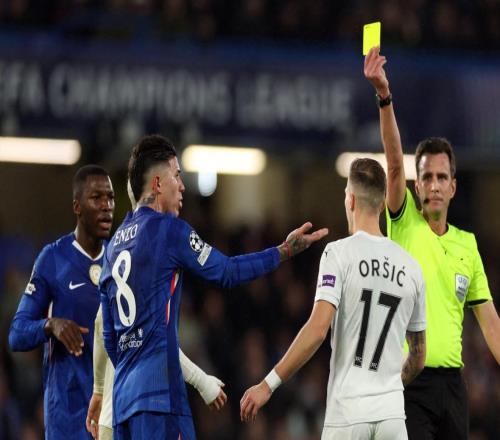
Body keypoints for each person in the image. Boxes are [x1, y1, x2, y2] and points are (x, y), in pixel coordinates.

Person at [99, 134, 328, 439]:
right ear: (157, 184)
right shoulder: (169, 231)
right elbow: (227, 272)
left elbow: (109, 337)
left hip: (124, 402)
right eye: (177, 176)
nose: (182, 186)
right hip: (159, 398)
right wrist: (283, 251)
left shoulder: (112, 247)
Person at [364, 47, 500, 440]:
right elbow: (393, 163)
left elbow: (491, 324)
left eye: (442, 177)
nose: (435, 185)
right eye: (427, 177)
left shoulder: (467, 245)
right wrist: (384, 97)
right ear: (417, 185)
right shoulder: (404, 222)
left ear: (453, 187)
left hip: (454, 388)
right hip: (410, 382)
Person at [240, 158, 426, 439]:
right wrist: (386, 390)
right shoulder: (411, 267)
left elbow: (318, 330)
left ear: (350, 200)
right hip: (392, 417)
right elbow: (418, 355)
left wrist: (267, 385)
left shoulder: (338, 254)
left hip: (348, 413)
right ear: (382, 204)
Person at [85, 182, 227, 440]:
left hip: (112, 418)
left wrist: (98, 388)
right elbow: (156, 346)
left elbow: (100, 324)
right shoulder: (150, 260)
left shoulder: (118, 254)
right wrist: (201, 380)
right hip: (145, 413)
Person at [8, 165, 115, 439]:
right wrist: (50, 325)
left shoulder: (120, 262)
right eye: (97, 198)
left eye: (110, 197)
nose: (106, 206)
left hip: (112, 418)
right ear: (77, 207)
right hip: (68, 421)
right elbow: (17, 334)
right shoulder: (53, 259)